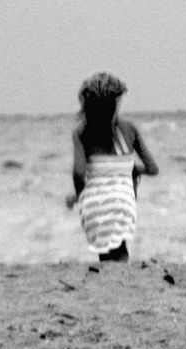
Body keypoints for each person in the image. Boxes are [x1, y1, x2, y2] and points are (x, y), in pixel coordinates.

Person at [66, 71, 159, 262]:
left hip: (94, 205)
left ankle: (112, 280)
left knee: (106, 252)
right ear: (116, 102)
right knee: (121, 248)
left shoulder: (82, 132)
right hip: (123, 203)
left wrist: (79, 196)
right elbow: (152, 168)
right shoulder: (129, 129)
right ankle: (120, 279)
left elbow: (79, 173)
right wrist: (132, 169)